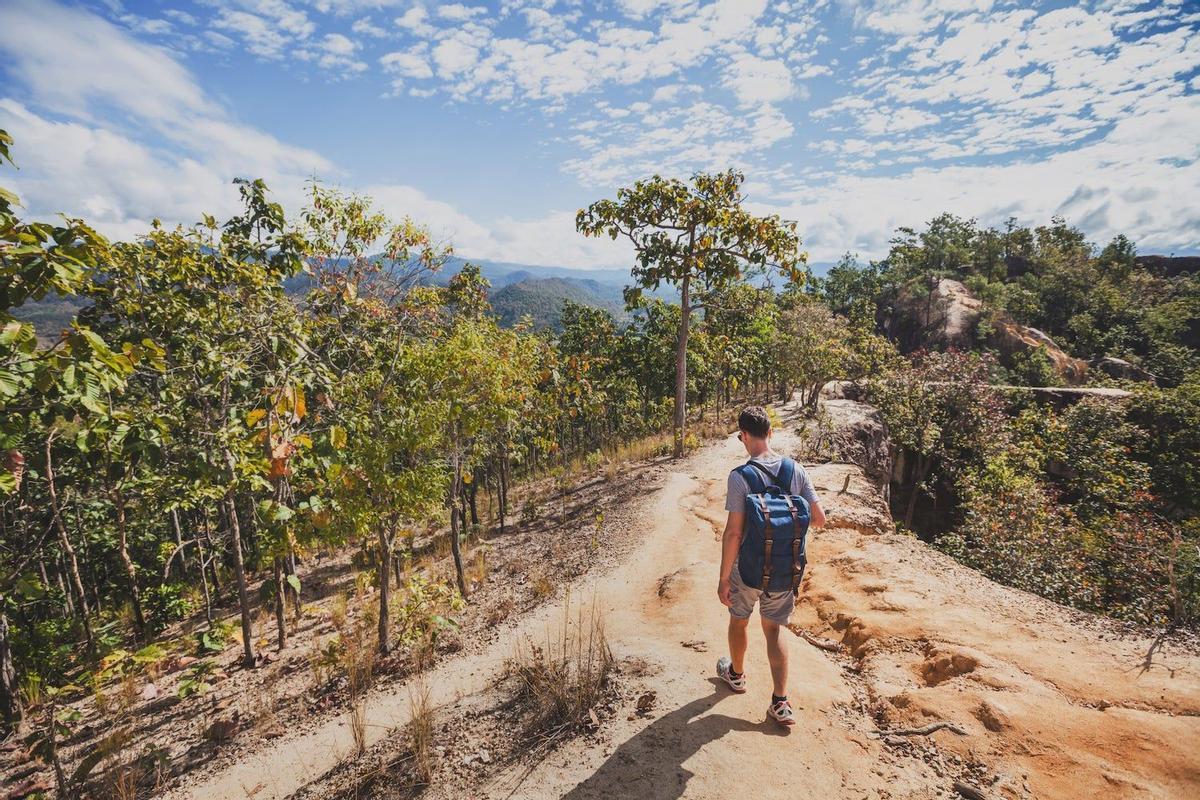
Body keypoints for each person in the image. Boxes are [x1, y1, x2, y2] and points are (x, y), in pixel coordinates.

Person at [716, 406, 825, 726]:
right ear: (771, 434)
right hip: (784, 569)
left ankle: (736, 676)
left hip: (748, 569)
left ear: (744, 436)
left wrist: (724, 579)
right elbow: (819, 519)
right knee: (774, 628)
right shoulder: (797, 470)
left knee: (739, 620)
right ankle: (780, 702)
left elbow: (734, 532)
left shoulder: (740, 477)